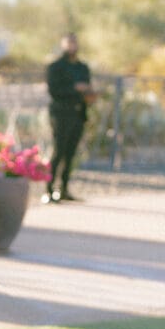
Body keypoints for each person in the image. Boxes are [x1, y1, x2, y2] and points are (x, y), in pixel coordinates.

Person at [44, 32, 95, 202]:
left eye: (74, 43)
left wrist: (89, 94)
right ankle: (49, 189)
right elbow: (54, 91)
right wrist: (75, 88)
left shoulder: (82, 67)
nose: (72, 46)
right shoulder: (56, 67)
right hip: (61, 114)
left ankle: (64, 189)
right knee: (59, 151)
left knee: (70, 153)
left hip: (78, 114)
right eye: (69, 43)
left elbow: (88, 88)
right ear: (63, 45)